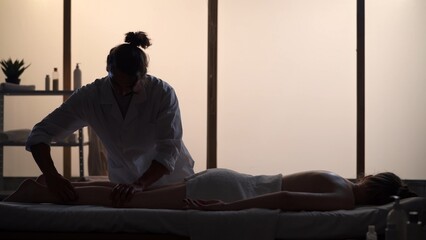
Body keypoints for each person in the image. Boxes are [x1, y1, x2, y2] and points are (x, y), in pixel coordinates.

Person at [25, 31, 195, 203]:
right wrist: (51, 175)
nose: (122, 91)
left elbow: (168, 150)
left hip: (170, 180)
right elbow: (40, 133)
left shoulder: (162, 94)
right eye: (115, 84)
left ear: (143, 75)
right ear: (107, 68)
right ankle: (38, 187)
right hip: (124, 185)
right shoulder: (91, 96)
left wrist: (140, 184)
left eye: (130, 87)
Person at [3, 168, 417, 211]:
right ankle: (42, 194)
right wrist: (226, 210)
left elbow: (286, 189)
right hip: (233, 192)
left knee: (130, 192)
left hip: (232, 178)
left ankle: (47, 186)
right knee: (133, 202)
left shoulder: (340, 178)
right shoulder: (344, 198)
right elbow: (284, 199)